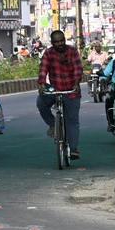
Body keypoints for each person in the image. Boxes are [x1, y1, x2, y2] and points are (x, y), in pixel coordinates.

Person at [36, 29, 83, 160]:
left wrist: (76, 83)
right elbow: (43, 68)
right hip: (55, 89)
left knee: (72, 121)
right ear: (52, 43)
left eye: (62, 40)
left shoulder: (72, 51)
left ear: (65, 40)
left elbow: (78, 69)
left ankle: (73, 149)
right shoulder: (48, 53)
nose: (60, 44)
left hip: (71, 90)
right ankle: (53, 124)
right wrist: (41, 83)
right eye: (56, 42)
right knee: (40, 103)